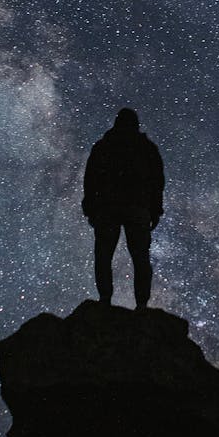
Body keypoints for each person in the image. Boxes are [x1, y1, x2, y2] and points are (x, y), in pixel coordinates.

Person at [82, 108, 164, 308]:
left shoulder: (103, 146)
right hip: (136, 208)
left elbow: (90, 180)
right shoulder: (147, 148)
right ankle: (141, 305)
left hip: (108, 208)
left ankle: (105, 300)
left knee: (104, 255)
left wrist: (90, 208)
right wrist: (155, 210)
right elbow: (157, 182)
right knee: (140, 257)